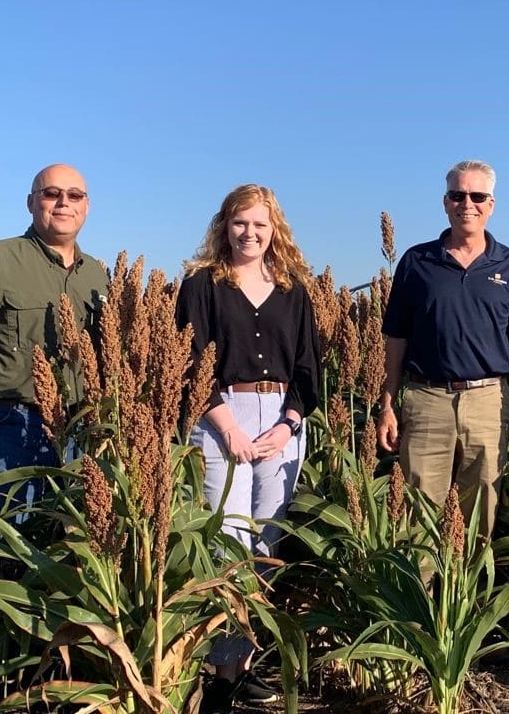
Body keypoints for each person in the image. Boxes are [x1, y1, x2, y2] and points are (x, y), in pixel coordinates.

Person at [175, 184, 320, 713]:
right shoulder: (202, 285)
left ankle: (245, 666)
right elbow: (190, 362)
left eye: (259, 224)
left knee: (265, 550)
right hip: (220, 418)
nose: (249, 233)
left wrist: (287, 426)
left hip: (281, 421)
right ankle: (220, 673)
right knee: (226, 546)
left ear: (273, 228)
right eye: (240, 223)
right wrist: (228, 428)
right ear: (224, 227)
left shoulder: (292, 290)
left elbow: (309, 368)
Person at [377, 160, 509, 540]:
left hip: (487, 400)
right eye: (458, 195)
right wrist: (387, 404)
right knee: (418, 512)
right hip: (426, 397)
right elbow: (395, 340)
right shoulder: (417, 262)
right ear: (445, 202)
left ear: (491, 204)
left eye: (477, 196)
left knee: (482, 506)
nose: (467, 203)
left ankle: (469, 595)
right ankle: (423, 593)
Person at [0, 163, 107, 516]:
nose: (64, 202)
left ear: (86, 206)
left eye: (74, 195)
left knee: (61, 548)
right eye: (51, 194)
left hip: (76, 430)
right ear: (31, 202)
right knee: (3, 545)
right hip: (3, 425)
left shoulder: (96, 275)